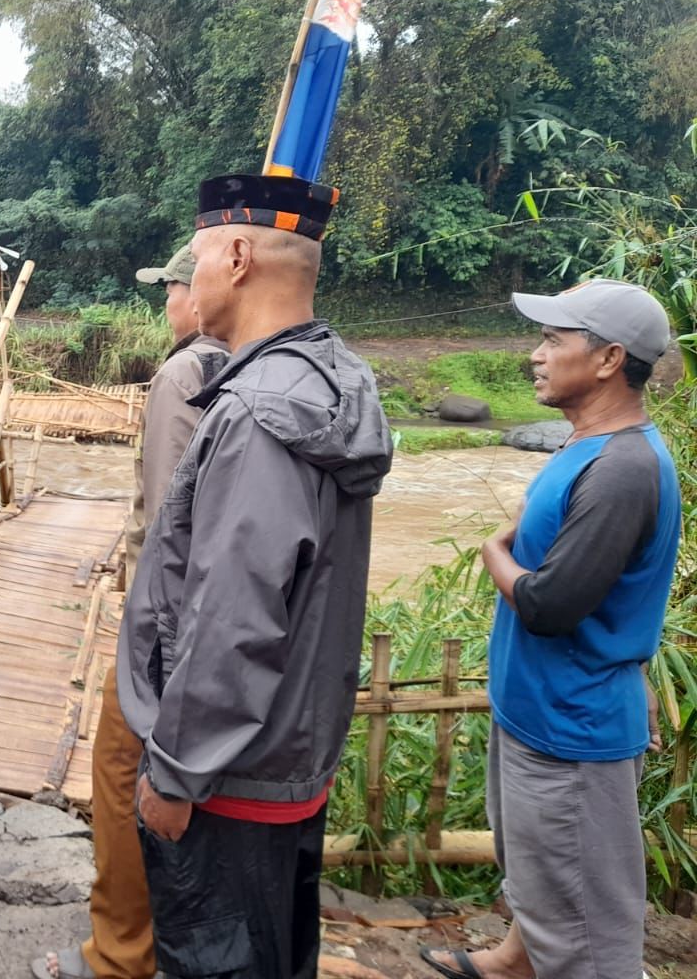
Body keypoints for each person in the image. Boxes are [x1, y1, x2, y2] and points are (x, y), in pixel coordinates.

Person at [122, 174, 393, 979]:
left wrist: (174, 772)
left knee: (219, 958)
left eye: (199, 257)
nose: (192, 278)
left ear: (237, 256)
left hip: (225, 775)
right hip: (287, 751)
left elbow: (233, 614)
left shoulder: (255, 416)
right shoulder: (327, 380)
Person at [421, 279, 678, 979]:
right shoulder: (588, 444)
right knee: (540, 879)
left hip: (573, 730)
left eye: (553, 341)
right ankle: (514, 962)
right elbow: (622, 594)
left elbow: (549, 604)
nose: (535, 355)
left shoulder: (621, 469)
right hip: (544, 710)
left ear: (607, 359)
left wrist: (491, 554)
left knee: (589, 941)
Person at [32, 245, 227, 979]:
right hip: (226, 623)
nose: (167, 304)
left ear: (199, 291)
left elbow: (173, 515)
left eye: (171, 290)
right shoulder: (262, 364)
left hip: (166, 619)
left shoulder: (187, 371)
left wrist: (149, 627)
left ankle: (119, 955)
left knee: (119, 769)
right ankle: (178, 940)